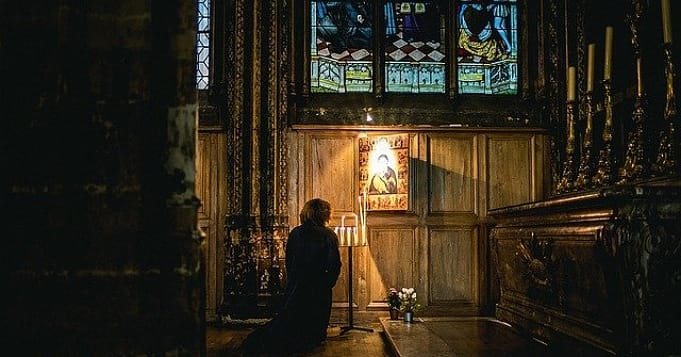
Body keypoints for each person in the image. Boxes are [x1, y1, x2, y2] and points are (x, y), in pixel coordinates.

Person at [239, 198, 342, 355]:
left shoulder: (296, 233)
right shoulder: (329, 235)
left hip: (297, 287)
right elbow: (334, 264)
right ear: (324, 214)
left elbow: (289, 261)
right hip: (319, 288)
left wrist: (295, 280)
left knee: (289, 322)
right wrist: (328, 283)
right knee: (313, 330)